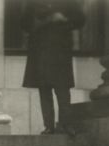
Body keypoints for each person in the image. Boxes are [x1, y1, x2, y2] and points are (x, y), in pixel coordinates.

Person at [21, 0, 85, 136]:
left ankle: (66, 125)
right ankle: (49, 126)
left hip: (60, 49)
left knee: (62, 89)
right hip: (40, 49)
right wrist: (43, 21)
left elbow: (80, 19)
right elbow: (25, 23)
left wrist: (64, 19)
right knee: (44, 89)